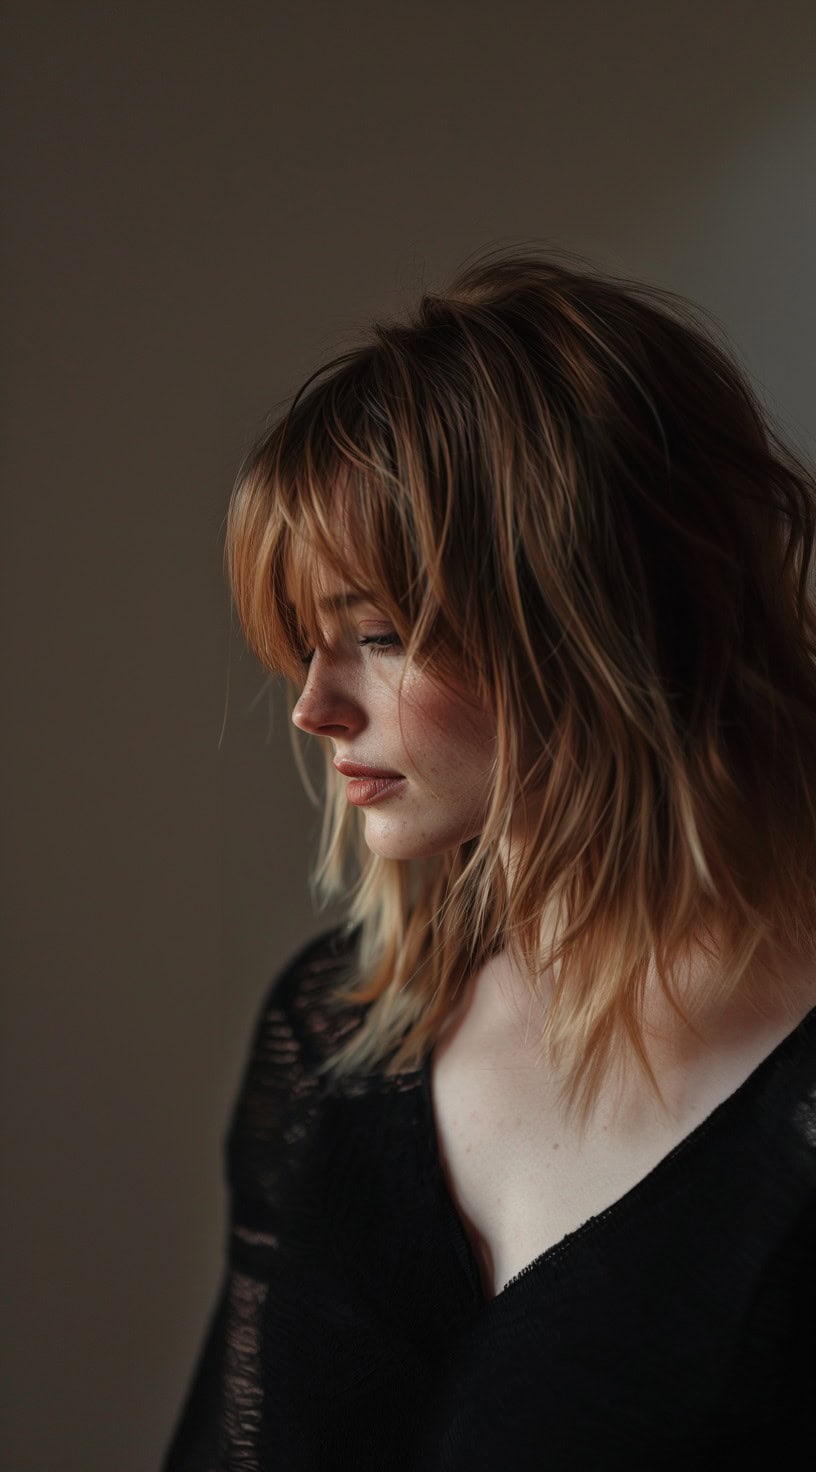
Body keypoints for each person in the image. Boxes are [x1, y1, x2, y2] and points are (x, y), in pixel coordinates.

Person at [161, 245, 816, 1470]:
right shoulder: (336, 1037)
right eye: (309, 640)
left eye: (382, 635)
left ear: (598, 617)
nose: (315, 708)